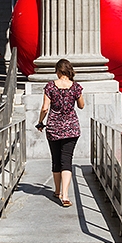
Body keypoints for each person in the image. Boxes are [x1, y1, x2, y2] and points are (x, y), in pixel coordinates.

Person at [36, 59, 84, 208]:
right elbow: (81, 106)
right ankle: (66, 195)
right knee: (67, 160)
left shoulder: (50, 86)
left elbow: (45, 108)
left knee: (56, 159)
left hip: (54, 127)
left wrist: (40, 122)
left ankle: (57, 191)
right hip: (71, 128)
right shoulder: (75, 87)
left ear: (58, 70)